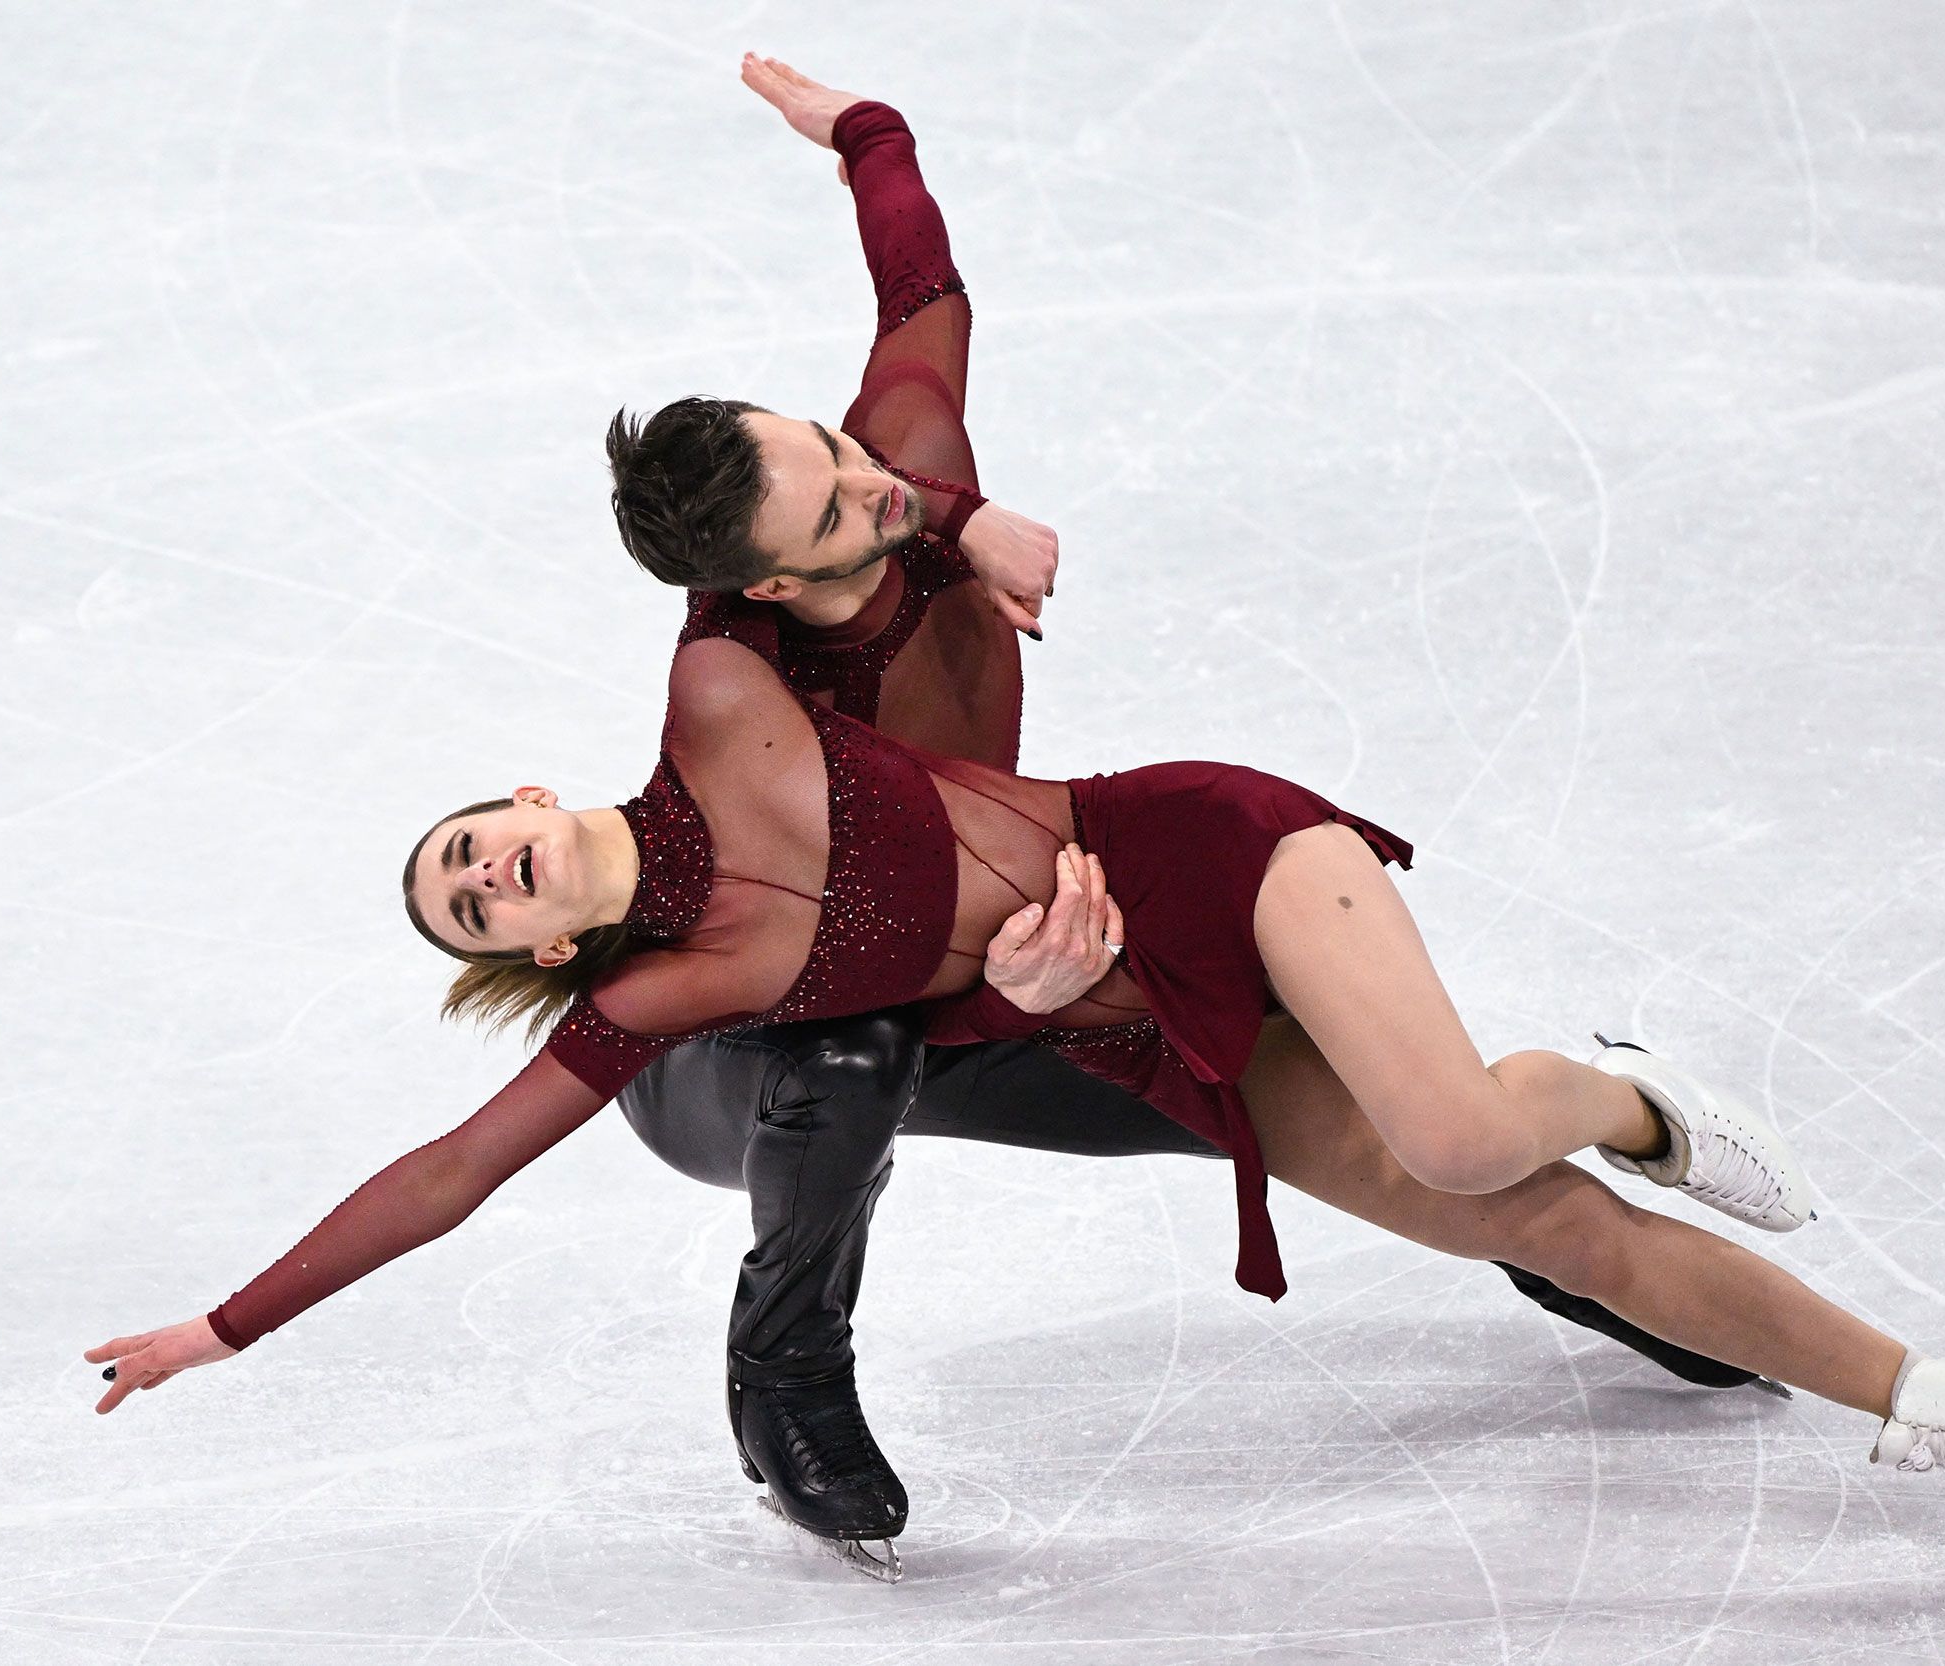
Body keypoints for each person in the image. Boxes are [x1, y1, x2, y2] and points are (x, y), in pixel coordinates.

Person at [88, 619, 1945, 1587]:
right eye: (465, 904)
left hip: (1203, 857)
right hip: (1119, 1021)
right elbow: (452, 1168)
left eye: (475, 841)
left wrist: (869, 155)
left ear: (531, 798)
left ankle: (1609, 1089)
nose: (486, 877)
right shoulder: (680, 990)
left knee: (1453, 1132)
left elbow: (871, 493)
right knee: (1537, 1217)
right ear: (525, 945)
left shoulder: (716, 705)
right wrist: (223, 1324)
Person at [588, 55, 1762, 1559]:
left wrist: (869, 133)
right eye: (829, 505)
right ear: (754, 585)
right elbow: (835, 938)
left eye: (832, 449)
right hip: (738, 1044)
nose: (862, 479)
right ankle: (785, 1372)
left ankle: (1558, 1241)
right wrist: (1023, 973)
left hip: (955, 968)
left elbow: (919, 284)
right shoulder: (748, 713)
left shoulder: (898, 465)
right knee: (858, 1042)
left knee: (1257, 1069)